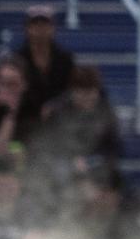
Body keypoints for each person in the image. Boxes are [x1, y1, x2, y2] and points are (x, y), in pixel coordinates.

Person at [29, 65, 123, 208]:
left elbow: (112, 151)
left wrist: (91, 165)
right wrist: (74, 166)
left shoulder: (107, 114)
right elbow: (49, 148)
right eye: (81, 92)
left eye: (91, 92)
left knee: (113, 183)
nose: (86, 98)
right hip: (62, 166)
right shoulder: (57, 113)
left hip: (95, 167)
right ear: (72, 91)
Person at [16, 4, 76, 128]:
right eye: (35, 24)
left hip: (59, 121)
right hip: (25, 121)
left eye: (45, 24)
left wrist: (55, 105)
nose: (40, 29)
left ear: (53, 28)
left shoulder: (65, 59)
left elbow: (72, 90)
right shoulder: (16, 60)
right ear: (27, 28)